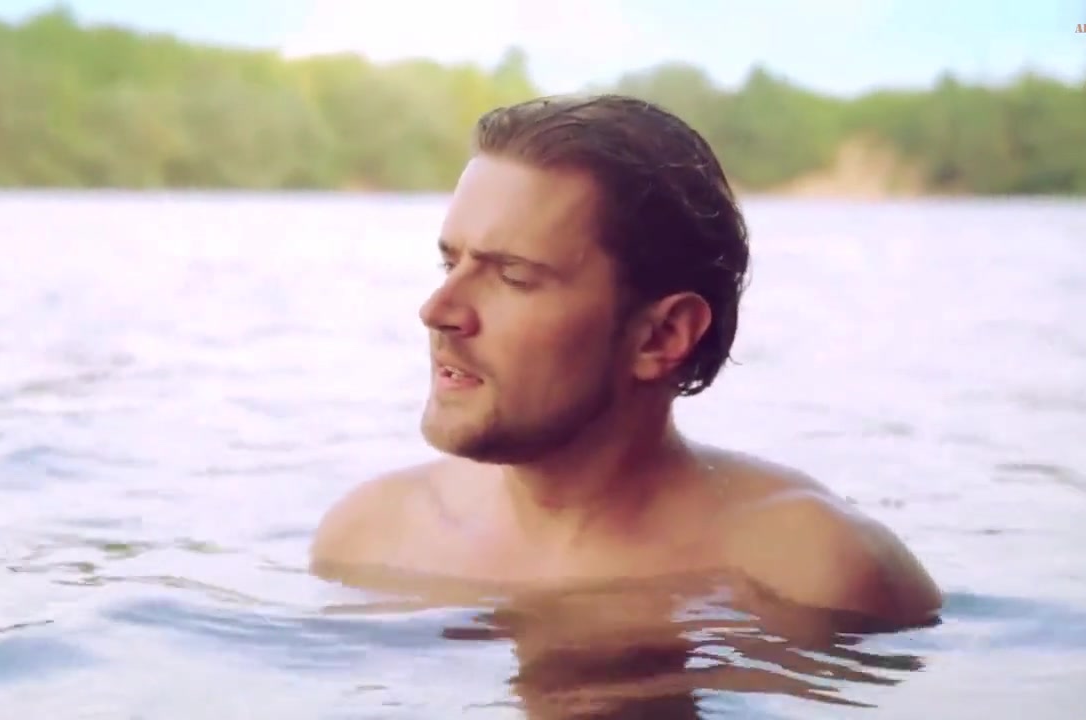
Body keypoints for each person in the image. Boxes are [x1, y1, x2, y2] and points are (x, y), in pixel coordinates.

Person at [309, 93, 942, 631]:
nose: (438, 310)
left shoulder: (818, 577)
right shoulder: (369, 540)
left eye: (513, 277)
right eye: (450, 263)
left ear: (661, 336)